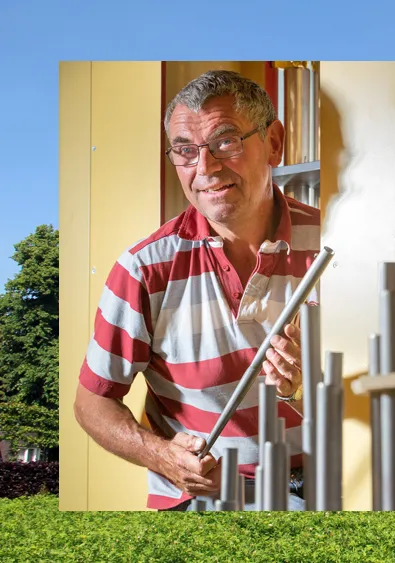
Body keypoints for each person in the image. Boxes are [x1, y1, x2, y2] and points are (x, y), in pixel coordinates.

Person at [74, 70, 320, 510]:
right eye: (185, 151)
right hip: (203, 500)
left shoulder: (336, 241)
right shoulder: (144, 268)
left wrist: (315, 380)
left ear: (275, 142)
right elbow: (93, 404)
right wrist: (164, 457)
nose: (205, 168)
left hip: (331, 483)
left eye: (225, 141)